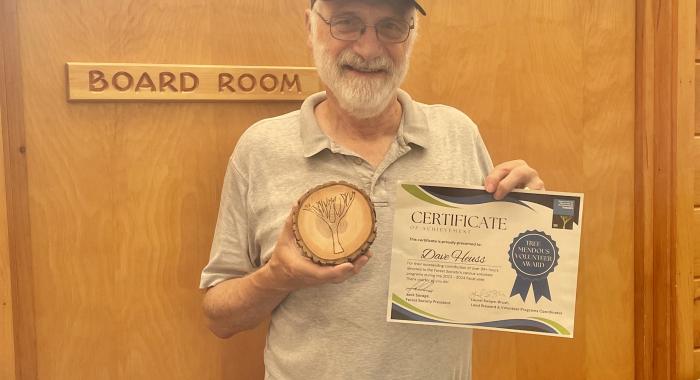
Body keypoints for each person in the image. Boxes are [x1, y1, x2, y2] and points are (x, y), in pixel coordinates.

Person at [200, 0, 545, 379]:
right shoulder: (261, 148)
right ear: (310, 27)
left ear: (412, 35)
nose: (368, 49)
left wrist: (530, 216)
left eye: (391, 27)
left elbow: (499, 279)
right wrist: (277, 276)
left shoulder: (457, 134)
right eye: (346, 24)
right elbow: (220, 318)